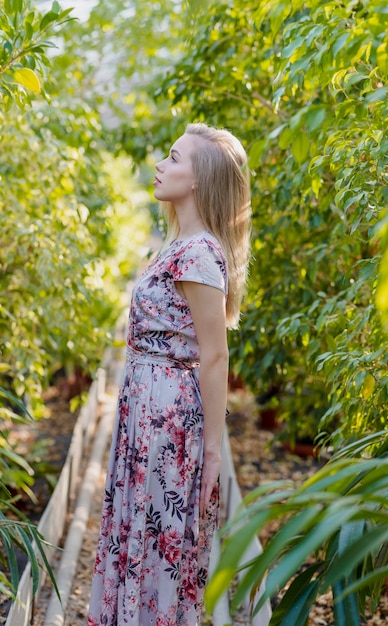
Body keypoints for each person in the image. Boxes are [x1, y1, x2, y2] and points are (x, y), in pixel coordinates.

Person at [87, 122, 251, 626]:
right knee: (143, 531)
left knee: (158, 536)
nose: (160, 165)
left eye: (174, 158)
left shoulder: (199, 253)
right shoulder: (180, 245)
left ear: (198, 177)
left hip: (167, 422)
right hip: (148, 409)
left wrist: (211, 451)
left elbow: (215, 356)